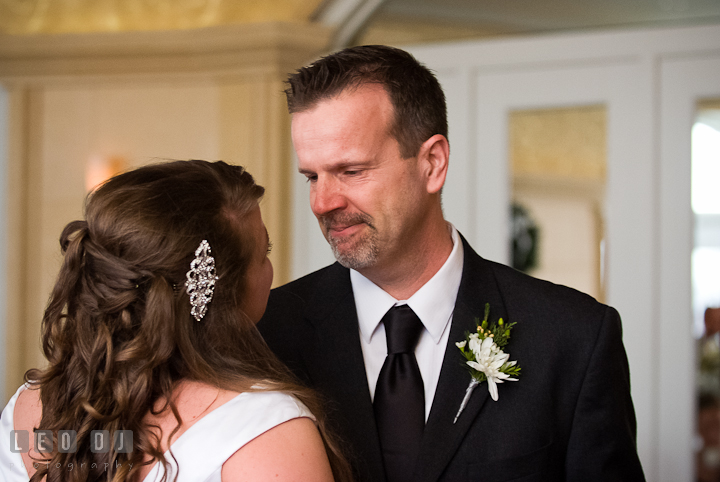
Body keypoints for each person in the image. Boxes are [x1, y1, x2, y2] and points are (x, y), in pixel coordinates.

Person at [257, 45, 646, 481]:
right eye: (312, 176)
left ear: (432, 164)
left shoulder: (572, 338)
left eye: (351, 171)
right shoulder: (265, 334)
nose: (323, 202)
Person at [0, 160, 352, 482]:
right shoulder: (265, 428)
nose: (271, 273)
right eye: (265, 253)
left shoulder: (28, 410)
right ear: (219, 290)